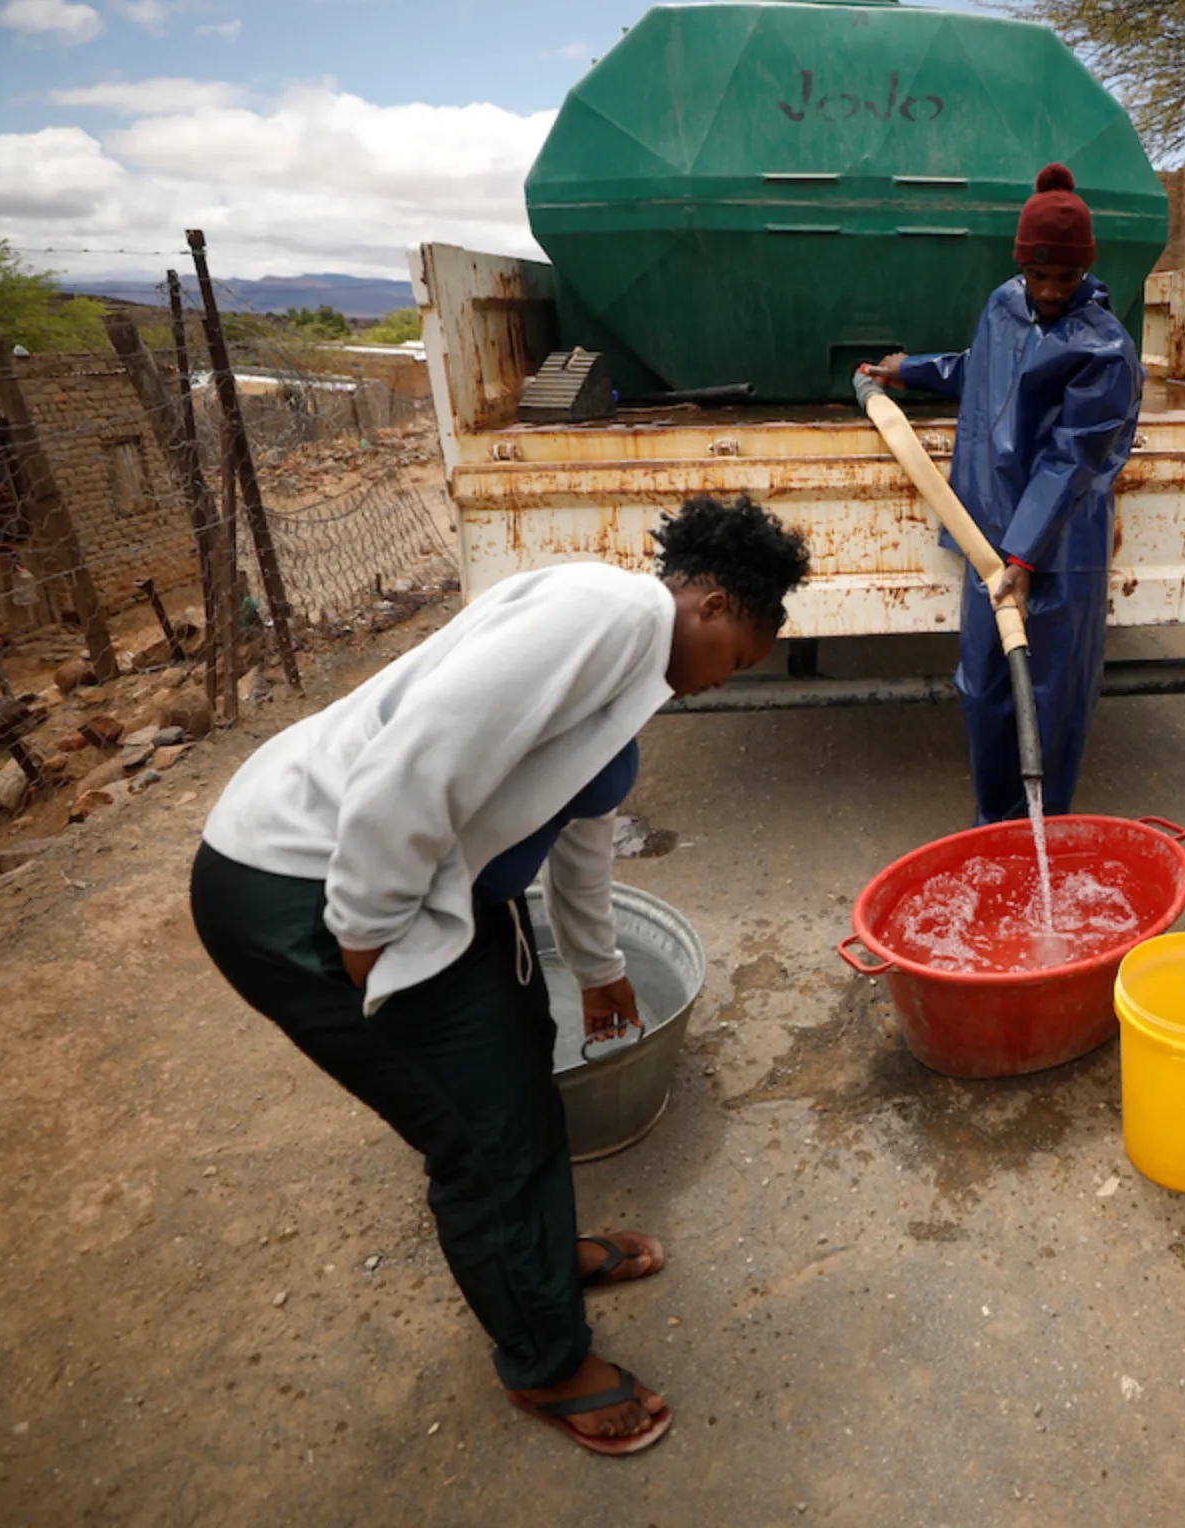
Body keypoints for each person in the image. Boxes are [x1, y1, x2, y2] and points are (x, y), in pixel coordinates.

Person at [187, 497, 809, 1458]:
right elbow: (422, 753)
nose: (718, 685)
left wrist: (599, 970)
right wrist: (362, 929)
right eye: (738, 660)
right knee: (482, 1135)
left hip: (403, 887)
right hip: (299, 882)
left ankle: (542, 1261)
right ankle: (546, 1363)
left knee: (522, 1058)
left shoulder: (628, 676)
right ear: (715, 605)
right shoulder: (612, 615)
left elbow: (581, 841)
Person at [867, 162, 1143, 824]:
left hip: (1054, 550)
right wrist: (911, 370)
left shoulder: (1103, 349)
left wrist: (1022, 557)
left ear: (1086, 270)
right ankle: (995, 828)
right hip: (984, 532)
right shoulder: (1004, 303)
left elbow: (1072, 459)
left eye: (1065, 277)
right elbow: (980, 369)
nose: (1050, 290)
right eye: (1038, 275)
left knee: (1048, 700)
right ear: (1021, 266)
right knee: (985, 689)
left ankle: (1041, 834)